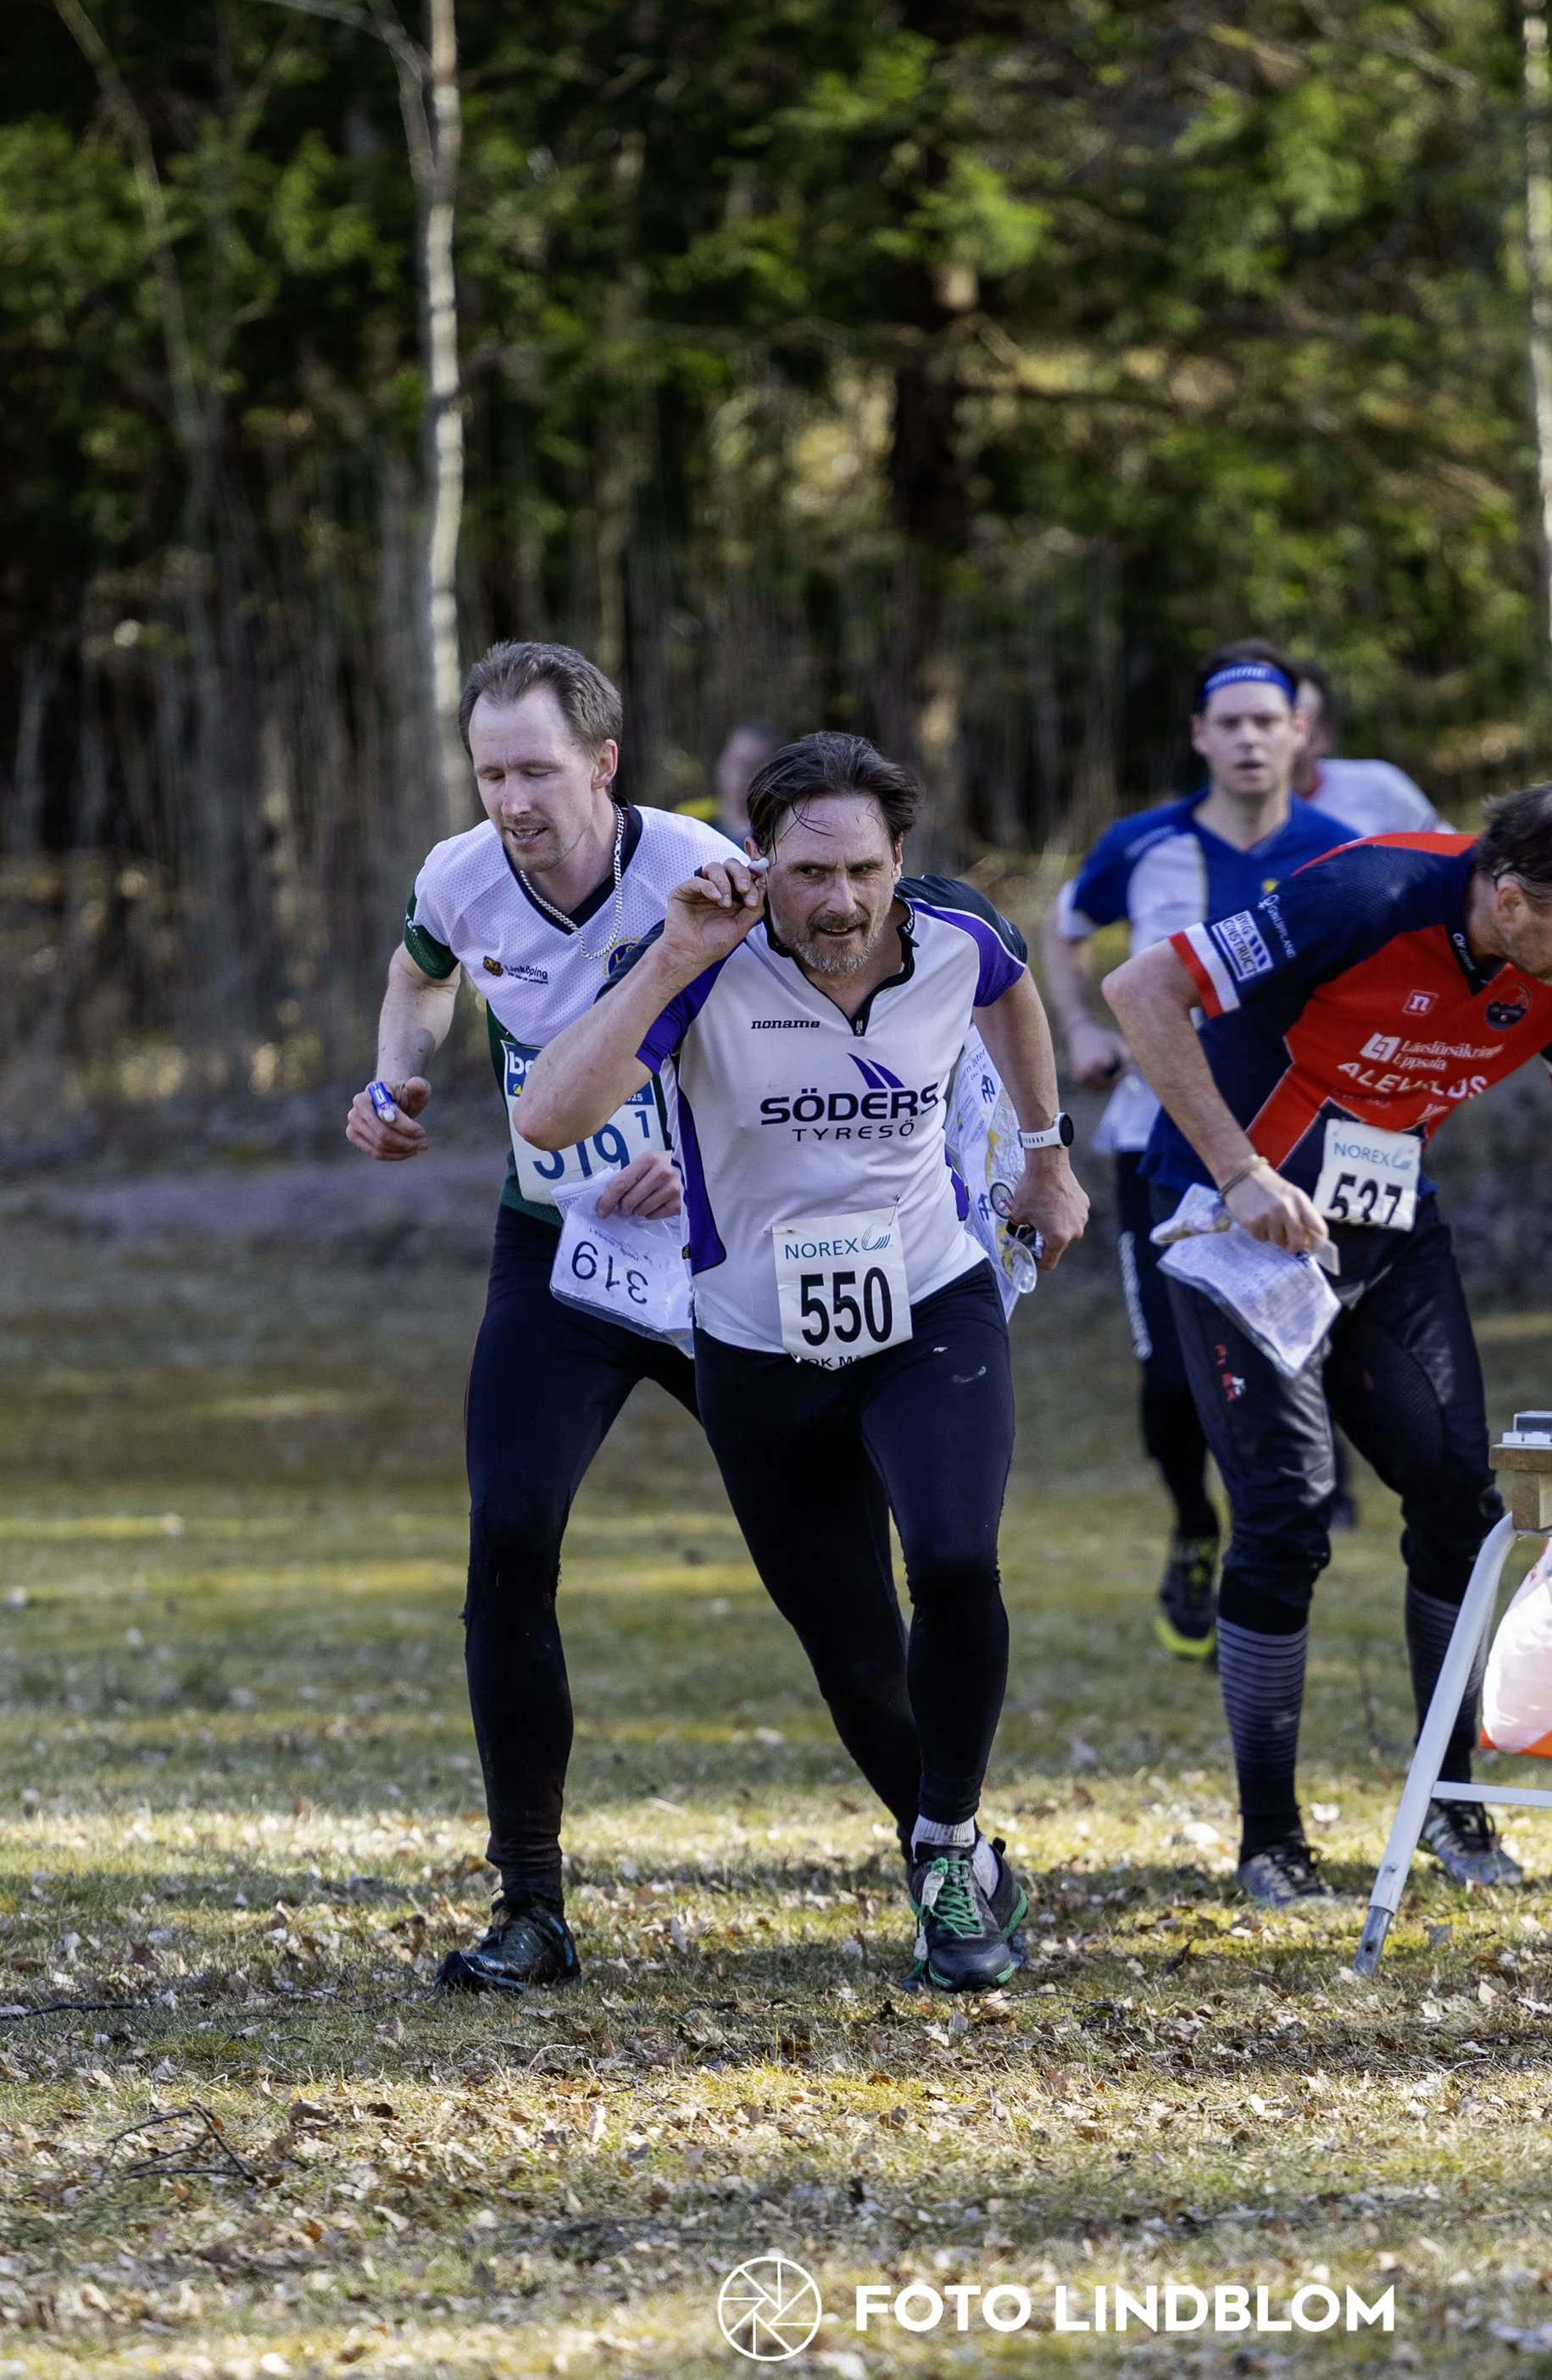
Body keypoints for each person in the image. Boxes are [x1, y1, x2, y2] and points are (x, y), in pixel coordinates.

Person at [1104, 778, 1552, 1905]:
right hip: (1234, 1226)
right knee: (1284, 1516)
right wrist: (1238, 1169)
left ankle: (1452, 1803)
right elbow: (1139, 989)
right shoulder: (1371, 893)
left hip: (1384, 1224)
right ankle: (1270, 1838)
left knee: (1460, 1498)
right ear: (1512, 902)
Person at [515, 731, 1093, 1989]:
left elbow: (1012, 992)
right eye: (809, 872)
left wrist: (1046, 1154)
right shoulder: (699, 966)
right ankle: (966, 1850)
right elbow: (547, 1113)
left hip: (929, 1303)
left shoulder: (957, 934)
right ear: (758, 860)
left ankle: (940, 1850)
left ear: (902, 864)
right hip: (758, 1346)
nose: (839, 902)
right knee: (853, 1651)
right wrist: (676, 953)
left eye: (865, 872)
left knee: (954, 1556)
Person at [345, 641, 746, 1993]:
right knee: (507, 1535)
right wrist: (397, 1084)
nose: (511, 798)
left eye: (535, 769)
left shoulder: (694, 862)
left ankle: (944, 1854)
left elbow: (783, 1037)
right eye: (490, 771)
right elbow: (419, 976)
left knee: (833, 1549)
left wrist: (697, 1162)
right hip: (557, 1249)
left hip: (709, 1249)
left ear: (604, 763)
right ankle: (532, 1904)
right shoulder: (460, 876)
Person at [1042, 645, 1356, 1659]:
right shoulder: (1142, 844)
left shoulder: (1340, 849)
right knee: (1175, 1375)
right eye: (1231, 723)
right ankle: (1192, 1527)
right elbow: (1067, 931)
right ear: (1199, 737)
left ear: (1300, 732)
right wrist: (1082, 1028)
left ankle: (1275, 1544)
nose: (1252, 738)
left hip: (1298, 1148)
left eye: (1270, 720)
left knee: (1300, 1344)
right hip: (1158, 1151)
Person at [1288, 659, 1449, 837]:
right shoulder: (1254, 827)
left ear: (1322, 737)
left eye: (1297, 724)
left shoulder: (1379, 784)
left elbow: (1451, 855)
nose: (1252, 738)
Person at [706, 719, 782, 848]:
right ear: (720, 765)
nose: (743, 774)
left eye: (756, 765)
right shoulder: (689, 822)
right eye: (738, 762)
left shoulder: (784, 831)